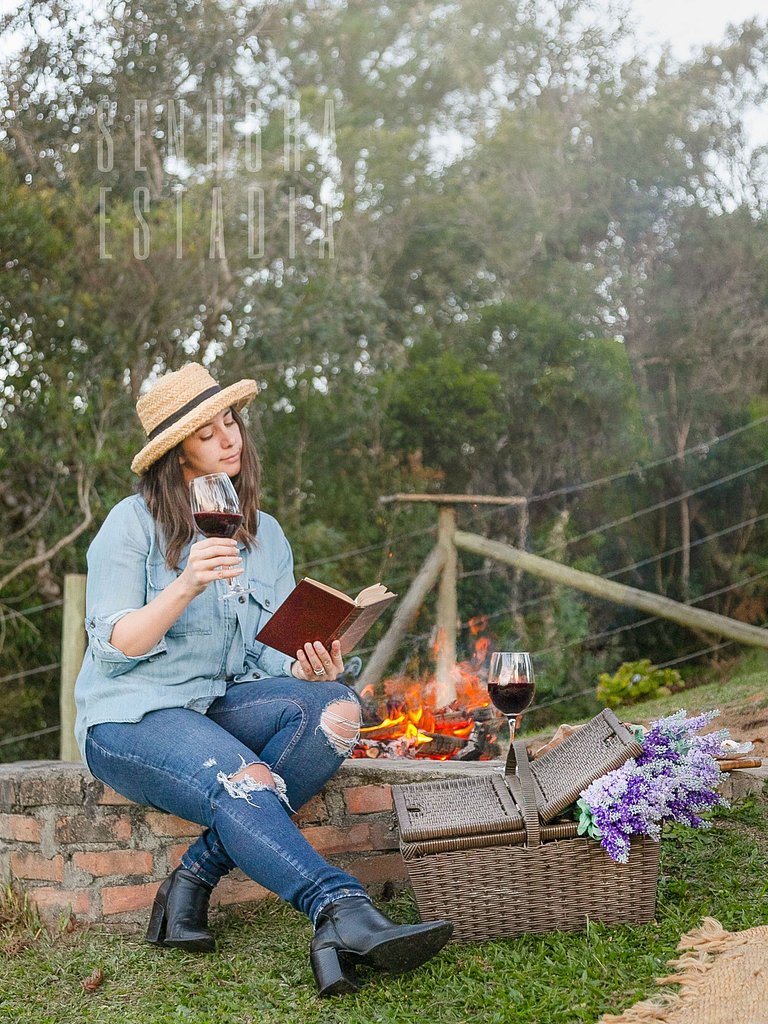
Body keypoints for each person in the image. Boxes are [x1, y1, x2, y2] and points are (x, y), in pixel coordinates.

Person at [74, 362, 452, 996]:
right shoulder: (131, 525)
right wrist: (188, 582)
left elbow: (266, 653)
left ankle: (192, 878)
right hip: (130, 717)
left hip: (212, 706)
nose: (230, 440)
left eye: (231, 422)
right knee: (243, 778)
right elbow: (116, 644)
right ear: (175, 455)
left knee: (334, 708)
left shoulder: (263, 535)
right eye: (207, 433)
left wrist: (306, 663)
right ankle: (338, 910)